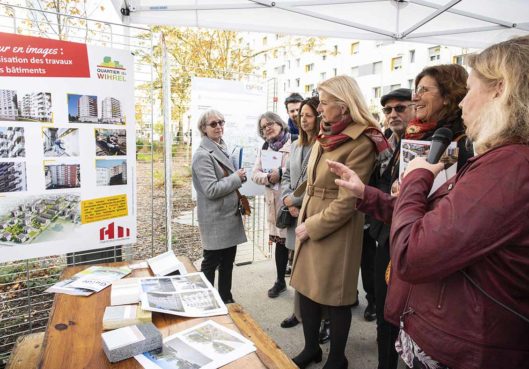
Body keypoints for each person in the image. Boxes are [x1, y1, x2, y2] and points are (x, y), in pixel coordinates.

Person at [331, 36, 529, 369]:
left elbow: (413, 252)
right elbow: (440, 222)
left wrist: (415, 179)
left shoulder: (510, 167)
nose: (463, 104)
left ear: (501, 89)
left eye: (470, 92)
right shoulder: (504, 161)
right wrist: (367, 195)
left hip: (464, 345)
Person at [290, 75, 379, 369]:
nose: (319, 109)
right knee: (306, 289)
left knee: (335, 296)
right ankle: (311, 348)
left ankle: (337, 358)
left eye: (325, 102)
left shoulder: (361, 142)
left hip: (336, 228)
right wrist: (296, 202)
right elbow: (312, 177)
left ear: (343, 105)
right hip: (311, 215)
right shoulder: (326, 134)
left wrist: (312, 226)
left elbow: (349, 200)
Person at [372, 88, 415, 369]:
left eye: (400, 108)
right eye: (388, 110)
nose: (393, 114)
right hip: (384, 236)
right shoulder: (388, 144)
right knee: (383, 309)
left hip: (411, 240)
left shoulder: (423, 144)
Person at [191, 109, 247, 304]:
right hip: (215, 218)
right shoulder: (202, 155)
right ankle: (205, 301)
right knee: (211, 262)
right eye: (213, 124)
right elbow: (211, 190)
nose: (219, 127)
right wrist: (236, 178)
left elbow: (226, 179)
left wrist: (237, 176)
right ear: (204, 129)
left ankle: (226, 298)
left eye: (221, 122)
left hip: (227, 216)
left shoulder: (221, 147)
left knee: (228, 263)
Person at [278, 96, 322, 330]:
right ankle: (298, 312)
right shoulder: (295, 145)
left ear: (318, 117)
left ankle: (320, 320)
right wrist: (287, 199)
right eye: (300, 115)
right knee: (297, 268)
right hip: (294, 212)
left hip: (311, 214)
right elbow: (287, 176)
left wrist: (295, 202)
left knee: (313, 273)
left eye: (307, 115)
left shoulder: (323, 146)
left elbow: (316, 183)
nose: (301, 119)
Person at [251, 112, 291, 298]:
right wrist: (267, 177)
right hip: (274, 204)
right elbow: (255, 173)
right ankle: (280, 281)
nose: (267, 128)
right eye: (263, 127)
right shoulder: (265, 147)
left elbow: (301, 168)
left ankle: (302, 288)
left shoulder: (296, 142)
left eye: (270, 123)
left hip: (292, 203)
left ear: (280, 124)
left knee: (297, 244)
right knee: (280, 244)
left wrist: (281, 173)